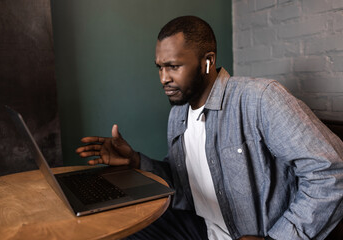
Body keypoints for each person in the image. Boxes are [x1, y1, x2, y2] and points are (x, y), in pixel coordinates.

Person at [76, 16, 343, 240]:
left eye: (174, 66)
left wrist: (279, 238)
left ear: (207, 61)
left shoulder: (260, 99)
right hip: (202, 228)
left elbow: (332, 171)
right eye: (159, 68)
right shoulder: (178, 115)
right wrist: (135, 161)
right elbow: (184, 185)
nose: (164, 78)